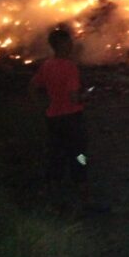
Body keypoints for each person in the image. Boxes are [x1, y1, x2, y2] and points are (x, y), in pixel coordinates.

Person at [29, 28, 91, 210]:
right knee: (79, 153)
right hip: (72, 118)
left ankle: (51, 189)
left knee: (56, 152)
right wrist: (84, 97)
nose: (72, 45)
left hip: (53, 118)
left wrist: (41, 106)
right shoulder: (69, 67)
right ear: (62, 45)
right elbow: (73, 97)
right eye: (69, 42)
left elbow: (32, 86)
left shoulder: (47, 65)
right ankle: (82, 188)